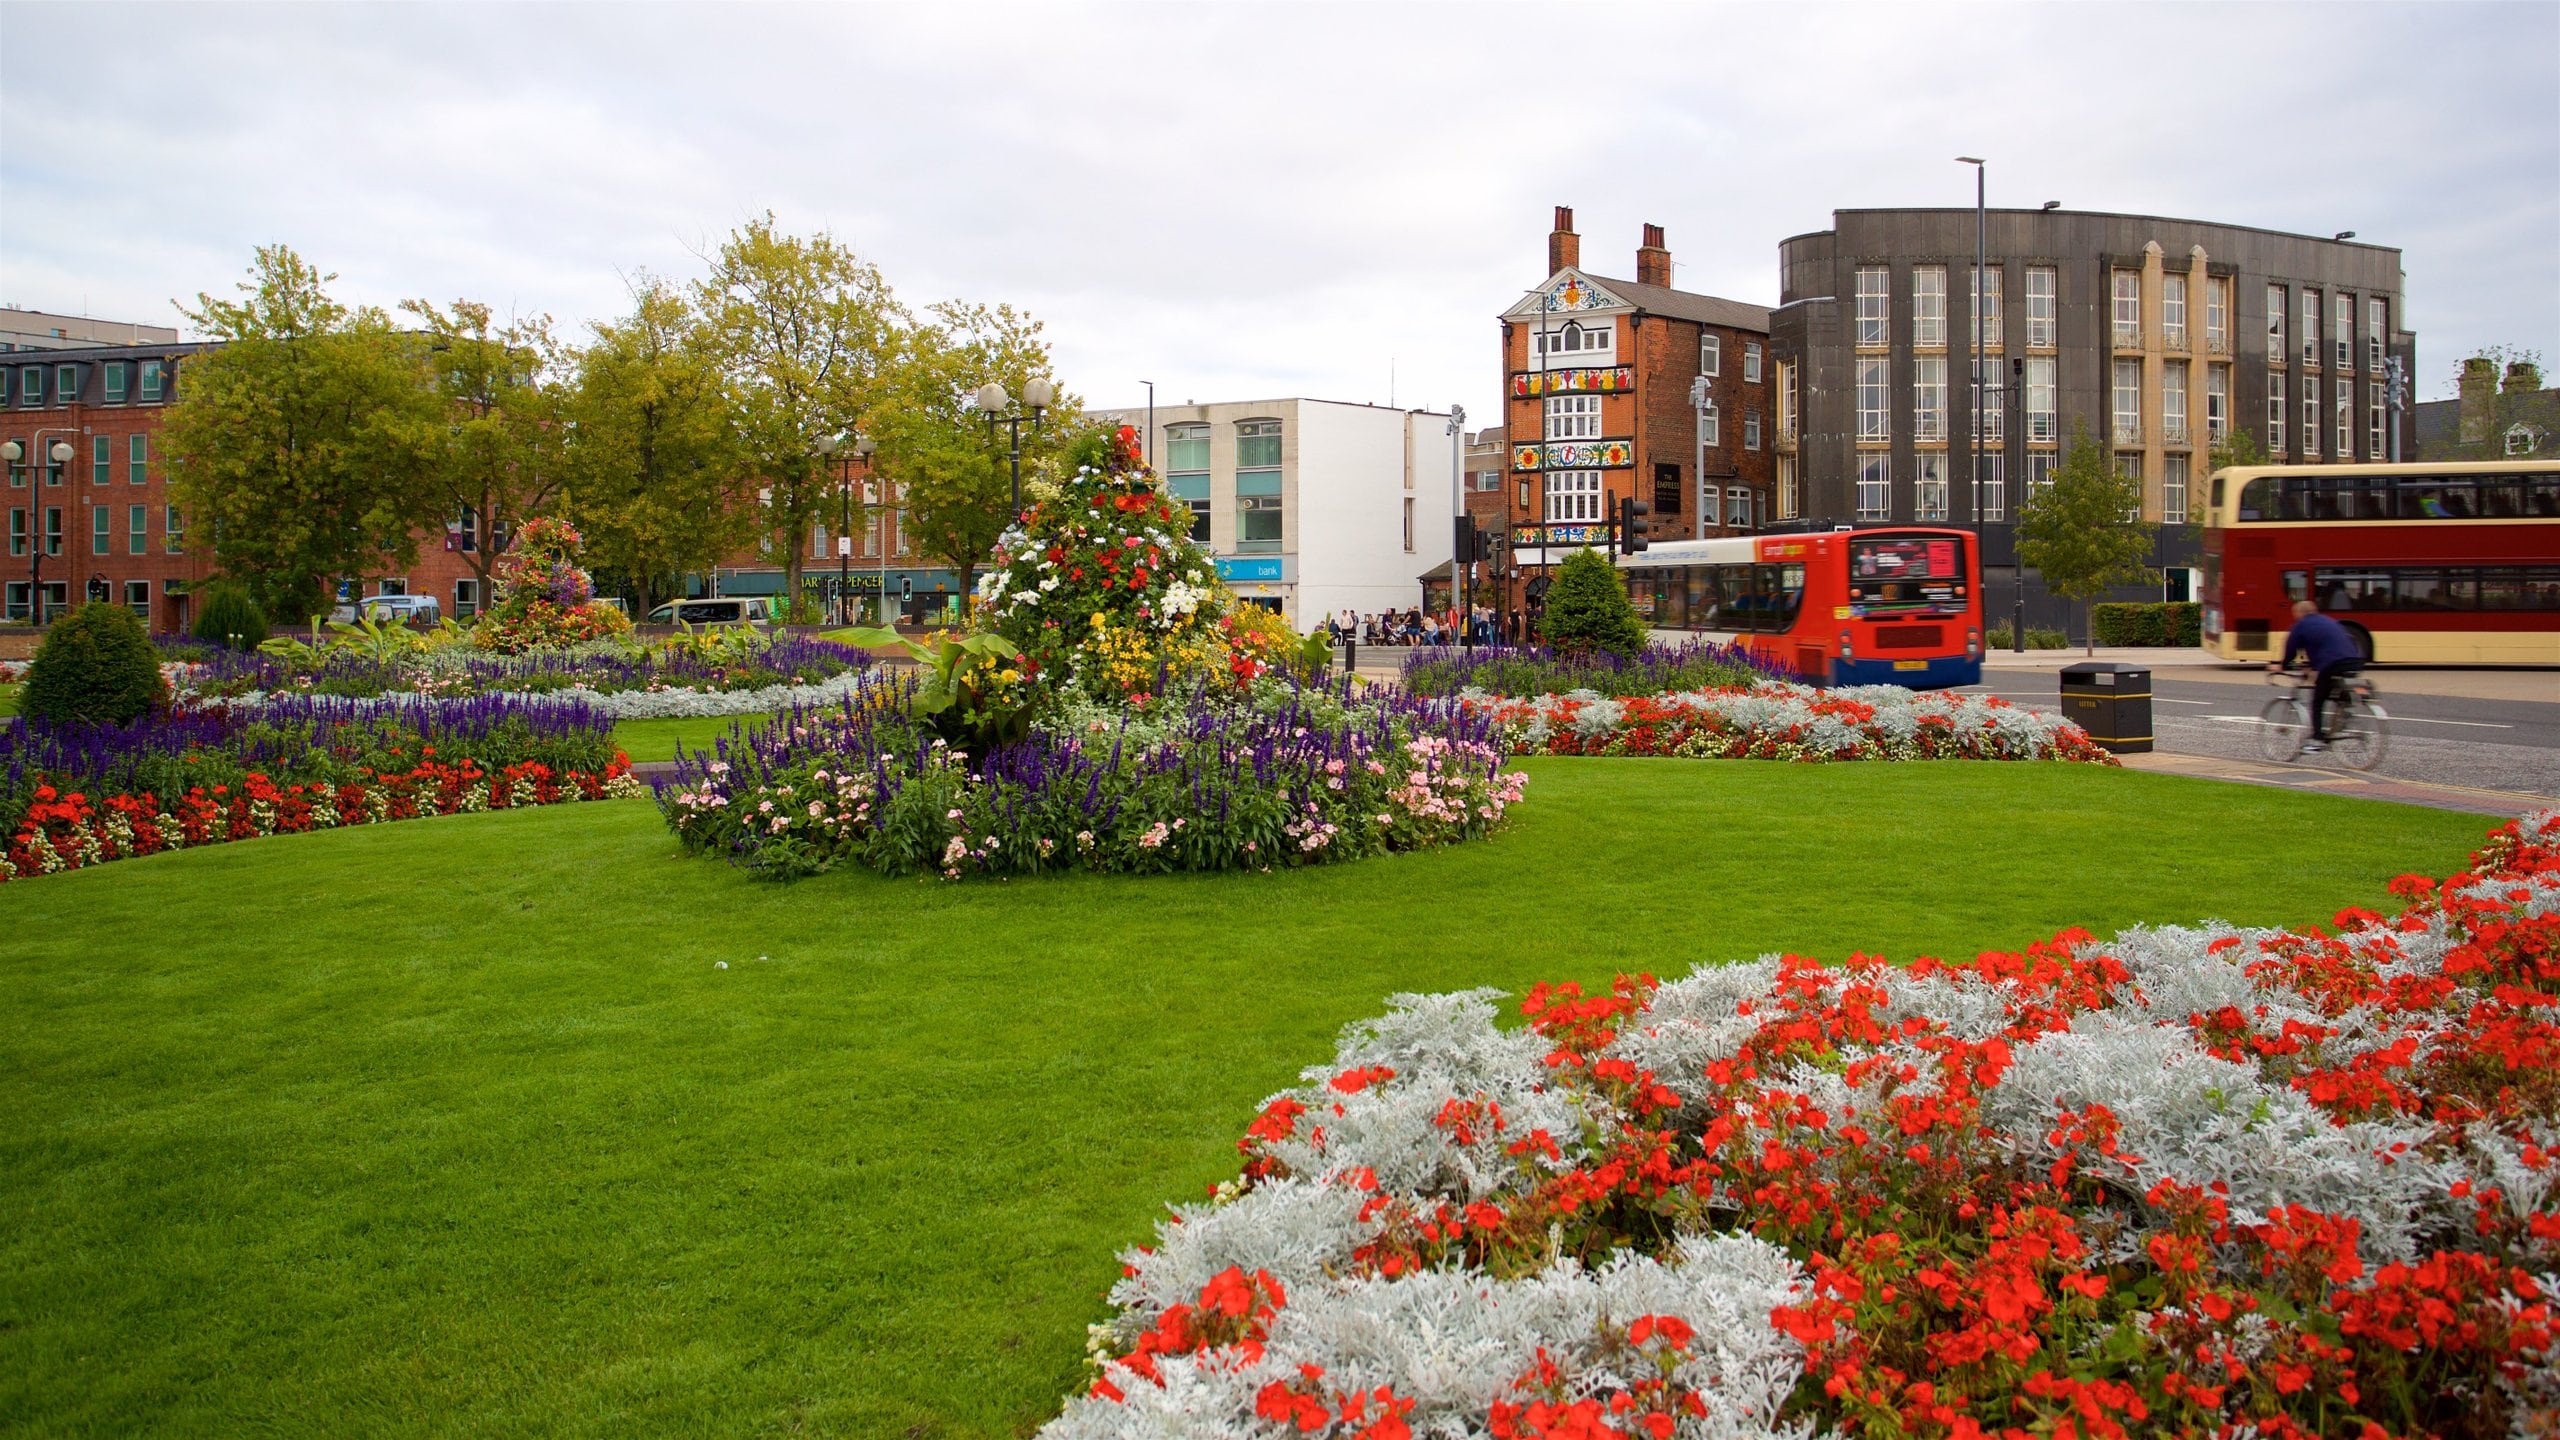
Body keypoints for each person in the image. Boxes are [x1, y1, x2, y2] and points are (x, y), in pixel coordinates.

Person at [2267, 599, 2362, 753]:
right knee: (2336, 691)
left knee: (2318, 700)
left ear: (2298, 613)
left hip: (2333, 663)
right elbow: (2327, 645)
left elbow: (2291, 650)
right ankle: (2345, 712)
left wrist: (2281, 665)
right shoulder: (2329, 621)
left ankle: (2317, 740)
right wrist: (2312, 666)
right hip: (2354, 661)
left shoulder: (2300, 625)